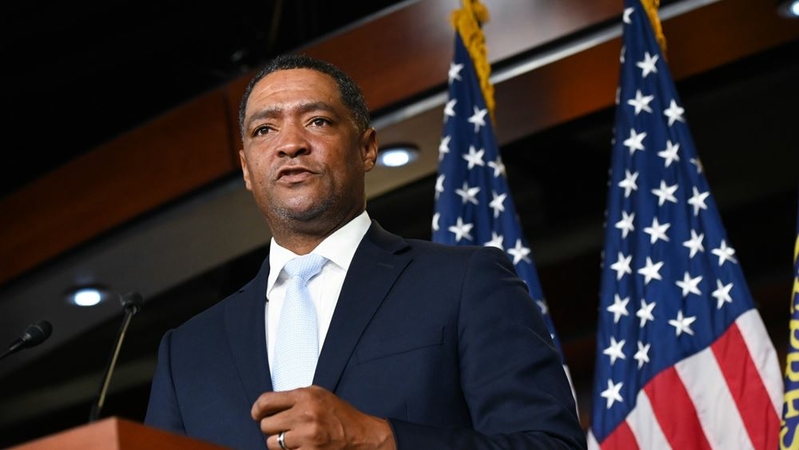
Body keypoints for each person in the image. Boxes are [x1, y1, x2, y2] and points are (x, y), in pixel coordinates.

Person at [144, 53, 586, 450]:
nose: (290, 143)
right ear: (246, 168)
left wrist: (378, 438)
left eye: (317, 121)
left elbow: (552, 445)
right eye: (264, 129)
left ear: (367, 148)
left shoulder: (465, 282)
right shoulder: (187, 351)